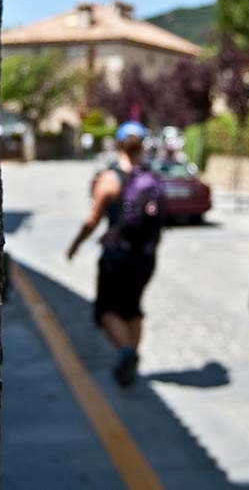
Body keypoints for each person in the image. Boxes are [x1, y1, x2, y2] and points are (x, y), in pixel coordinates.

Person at [67, 120, 160, 386]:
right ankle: (130, 356)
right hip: (145, 257)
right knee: (133, 308)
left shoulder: (109, 179)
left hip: (116, 256)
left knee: (106, 310)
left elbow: (92, 220)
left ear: (118, 144)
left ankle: (126, 353)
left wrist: (76, 244)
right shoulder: (151, 178)